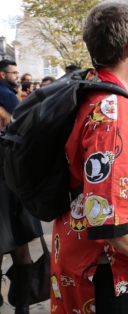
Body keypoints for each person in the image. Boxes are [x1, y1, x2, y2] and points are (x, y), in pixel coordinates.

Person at [51, 0, 128, 314]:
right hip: (107, 273)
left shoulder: (94, 86)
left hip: (88, 261)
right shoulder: (115, 113)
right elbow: (106, 215)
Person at [0, 59, 42, 313]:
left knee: (19, 252)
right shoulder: (14, 138)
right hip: (15, 200)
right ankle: (22, 305)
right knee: (21, 252)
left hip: (11, 201)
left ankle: (21, 304)